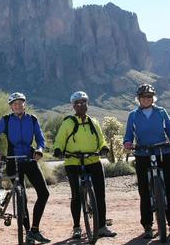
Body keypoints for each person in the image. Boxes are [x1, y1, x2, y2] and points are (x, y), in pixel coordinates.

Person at [0, 92, 51, 244]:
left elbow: (41, 140)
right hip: (12, 161)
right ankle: (28, 231)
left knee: (44, 193)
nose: (17, 105)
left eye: (20, 102)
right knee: (22, 196)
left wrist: (40, 150)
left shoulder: (32, 119)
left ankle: (34, 230)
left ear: (24, 104)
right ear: (11, 106)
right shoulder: (6, 120)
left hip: (29, 160)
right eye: (14, 103)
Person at [53, 91, 116, 240]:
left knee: (100, 194)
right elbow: (60, 140)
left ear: (87, 104)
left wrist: (104, 147)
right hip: (73, 161)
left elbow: (101, 140)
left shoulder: (93, 122)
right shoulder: (68, 122)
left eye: (84, 103)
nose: (81, 105)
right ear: (73, 106)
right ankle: (76, 227)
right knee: (76, 195)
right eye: (78, 103)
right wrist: (58, 149)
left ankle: (101, 227)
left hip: (92, 159)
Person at [123, 84, 170, 239]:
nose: (146, 99)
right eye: (143, 97)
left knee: (168, 188)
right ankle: (148, 226)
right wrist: (127, 142)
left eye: (149, 97)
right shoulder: (133, 115)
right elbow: (128, 133)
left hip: (163, 151)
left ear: (153, 98)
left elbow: (169, 129)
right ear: (139, 99)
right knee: (144, 191)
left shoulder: (161, 112)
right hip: (142, 152)